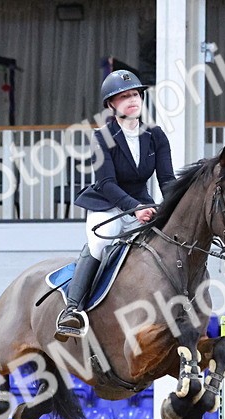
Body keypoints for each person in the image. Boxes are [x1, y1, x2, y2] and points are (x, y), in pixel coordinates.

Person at [55, 70, 175, 340]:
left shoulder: (156, 135)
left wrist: (174, 208)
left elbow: (167, 180)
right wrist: (135, 208)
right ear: (111, 104)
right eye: (123, 97)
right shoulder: (102, 137)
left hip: (141, 205)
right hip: (106, 204)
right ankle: (73, 309)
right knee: (100, 242)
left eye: (135, 94)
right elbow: (107, 183)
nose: (132, 100)